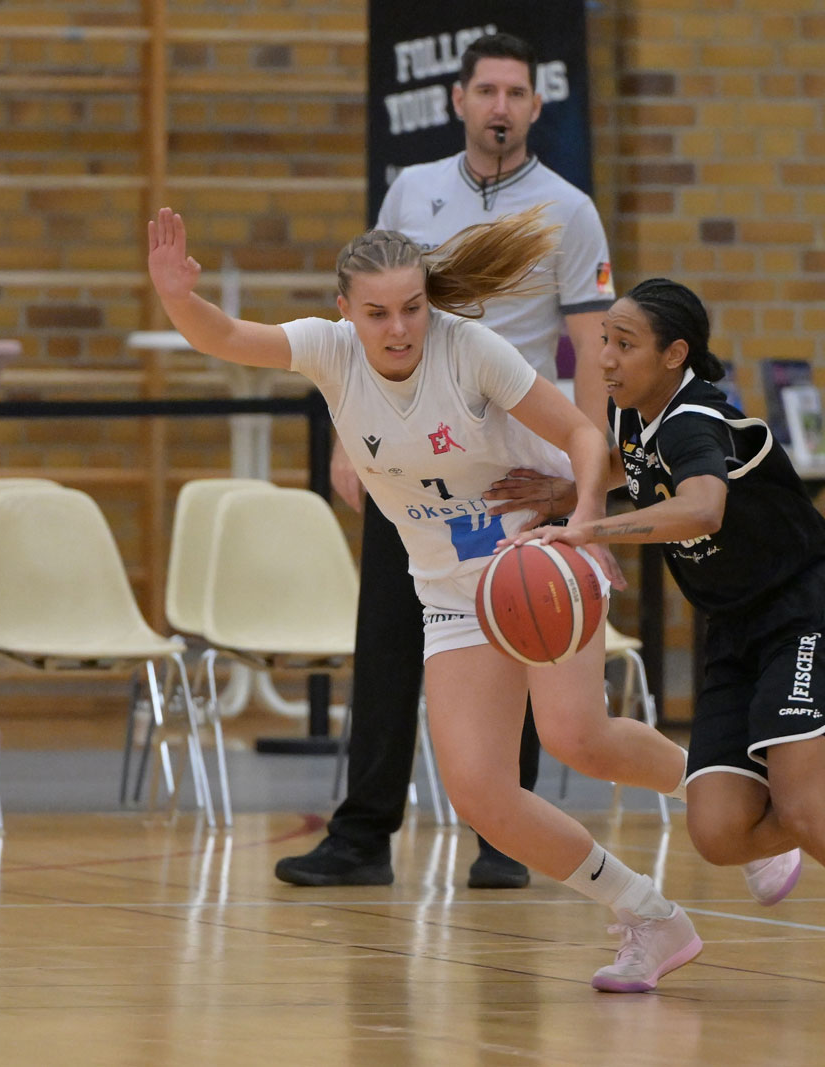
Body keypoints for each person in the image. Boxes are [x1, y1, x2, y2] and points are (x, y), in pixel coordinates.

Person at [148, 205, 699, 992]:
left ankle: (735, 794)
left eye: (412, 307)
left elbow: (585, 438)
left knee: (579, 736)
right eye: (377, 312)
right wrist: (177, 297)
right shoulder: (332, 352)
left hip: (534, 562)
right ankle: (648, 913)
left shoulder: (468, 349)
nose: (398, 327)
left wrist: (581, 527)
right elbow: (228, 336)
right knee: (479, 790)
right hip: (448, 590)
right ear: (346, 310)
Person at [493, 277, 825, 1017]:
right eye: (603, 339)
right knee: (720, 829)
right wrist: (559, 490)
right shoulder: (636, 414)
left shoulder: (695, 418)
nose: (604, 357)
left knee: (799, 807)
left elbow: (702, 505)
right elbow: (629, 470)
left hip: (804, 615)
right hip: (734, 632)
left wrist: (588, 531)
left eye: (623, 343)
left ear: (676, 354)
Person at [277, 32, 618, 891]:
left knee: (526, 631)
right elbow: (363, 329)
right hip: (410, 459)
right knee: (388, 640)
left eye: (517, 91)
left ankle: (508, 836)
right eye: (487, 90)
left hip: (513, 468)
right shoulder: (413, 189)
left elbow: (592, 351)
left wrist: (585, 481)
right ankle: (361, 834)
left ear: (538, 108)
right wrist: (349, 444)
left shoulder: (569, 210)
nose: (501, 105)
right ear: (459, 100)